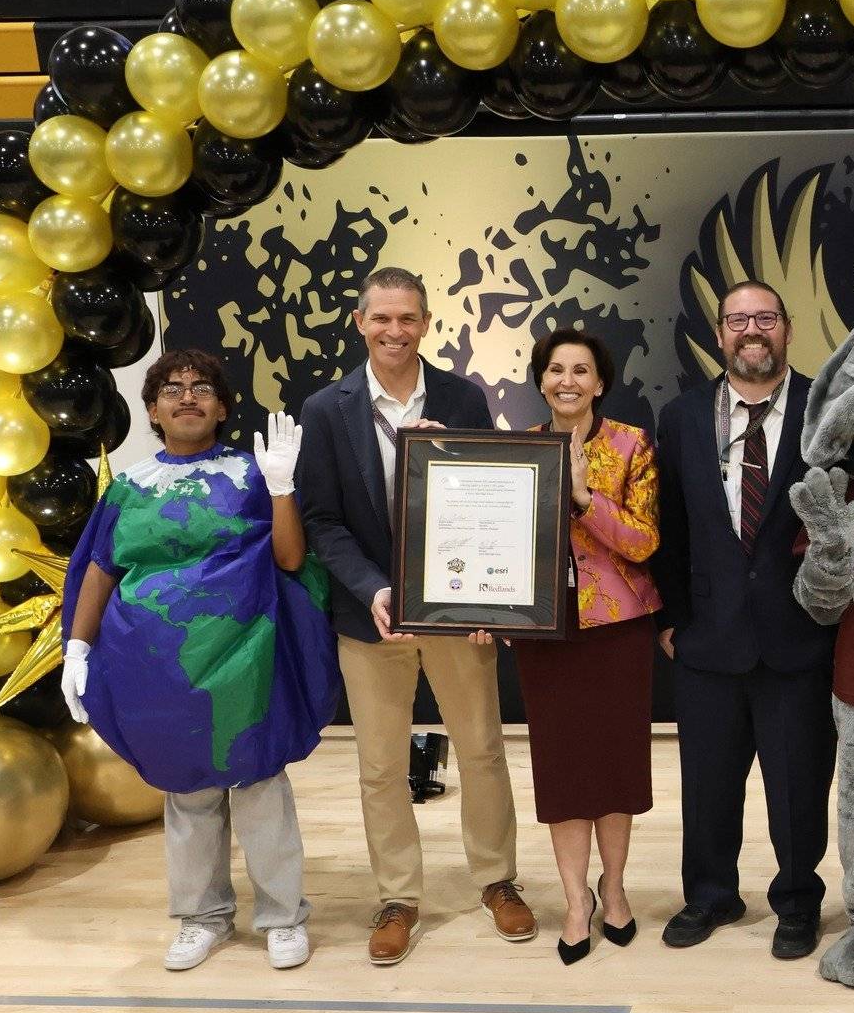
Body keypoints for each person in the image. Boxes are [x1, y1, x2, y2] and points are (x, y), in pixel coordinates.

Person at [61, 349, 339, 972]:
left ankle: (282, 914)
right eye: (173, 389)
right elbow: (101, 569)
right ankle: (201, 916)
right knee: (187, 790)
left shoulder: (250, 473)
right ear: (154, 408)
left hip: (245, 656)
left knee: (260, 782)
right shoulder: (130, 488)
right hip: (157, 663)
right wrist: (77, 647)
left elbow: (292, 560)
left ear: (221, 406)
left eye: (202, 388)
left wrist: (283, 486)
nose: (188, 397)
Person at [294, 266, 535, 965]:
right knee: (379, 764)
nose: (394, 331)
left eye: (408, 318)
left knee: (483, 747)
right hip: (369, 615)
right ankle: (399, 896)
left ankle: (496, 879)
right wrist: (372, 586)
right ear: (360, 323)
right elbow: (321, 519)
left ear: (427, 323)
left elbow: (491, 498)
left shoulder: (462, 396)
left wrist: (451, 455)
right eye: (381, 319)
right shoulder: (325, 408)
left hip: (454, 611)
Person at [652, 281, 835, 960]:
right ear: (720, 332)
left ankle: (796, 899)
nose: (751, 331)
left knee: (798, 783)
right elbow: (668, 525)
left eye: (765, 318)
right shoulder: (681, 417)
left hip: (798, 636)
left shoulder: (827, 408)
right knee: (707, 785)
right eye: (738, 320)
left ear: (787, 329)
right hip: (708, 637)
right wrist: (672, 617)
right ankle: (709, 893)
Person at [514, 328, 662, 965]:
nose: (567, 381)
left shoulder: (631, 445)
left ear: (600, 382)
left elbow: (642, 541)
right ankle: (577, 900)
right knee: (565, 769)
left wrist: (581, 497)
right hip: (546, 632)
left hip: (619, 628)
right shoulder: (517, 452)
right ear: (541, 381)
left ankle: (616, 886)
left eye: (580, 370)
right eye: (555, 370)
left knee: (615, 767)